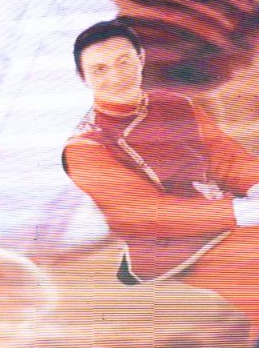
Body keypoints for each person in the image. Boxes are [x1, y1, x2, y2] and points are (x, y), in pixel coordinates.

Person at [62, 20, 259, 317]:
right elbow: (148, 214)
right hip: (173, 249)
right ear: (83, 77)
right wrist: (239, 212)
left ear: (141, 59)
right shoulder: (85, 147)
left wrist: (255, 185)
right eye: (100, 69)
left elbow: (225, 158)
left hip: (229, 221)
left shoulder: (174, 104)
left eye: (123, 61)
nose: (116, 76)